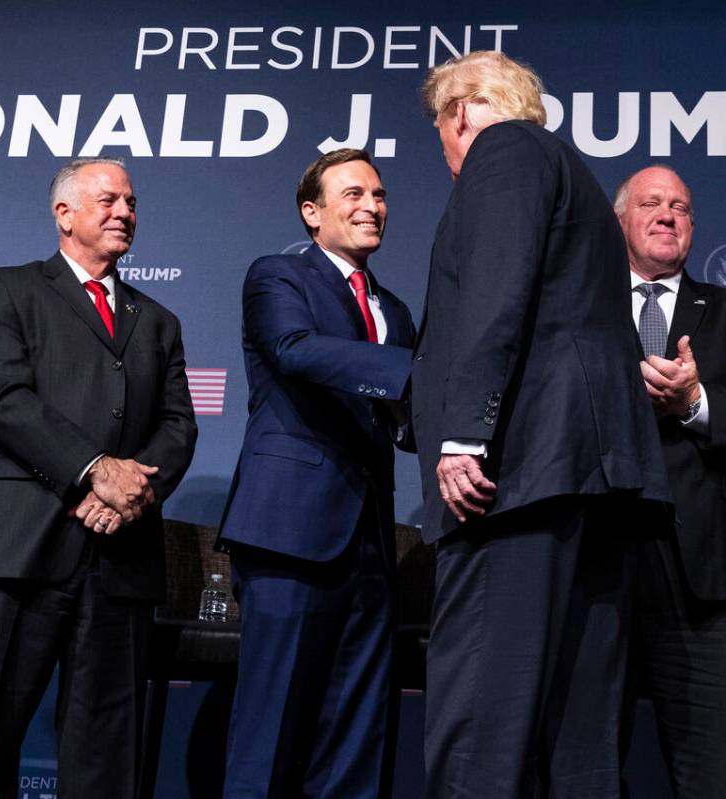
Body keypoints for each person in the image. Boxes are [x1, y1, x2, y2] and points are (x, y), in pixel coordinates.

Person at [411, 51, 670, 798]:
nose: (447, 149)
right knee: (577, 725)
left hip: (515, 477)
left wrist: (464, 432)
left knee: (479, 720)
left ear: (459, 113)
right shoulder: (574, 174)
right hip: (588, 478)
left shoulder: (505, 148)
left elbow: (497, 290)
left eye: (440, 130)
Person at [0, 157, 197, 798]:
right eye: (109, 200)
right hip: (19, 550)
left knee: (108, 758)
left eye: (132, 203)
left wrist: (129, 497)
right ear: (64, 213)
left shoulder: (158, 320)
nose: (125, 213)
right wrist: (92, 473)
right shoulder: (6, 288)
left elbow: (178, 427)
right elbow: (3, 399)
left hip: (120, 558)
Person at [217, 148, 415, 798]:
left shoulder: (395, 309)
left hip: (370, 546)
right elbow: (293, 351)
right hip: (288, 534)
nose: (371, 206)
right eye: (353, 193)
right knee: (270, 732)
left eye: (379, 194)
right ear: (311, 211)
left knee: (357, 740)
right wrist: (418, 376)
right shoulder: (278, 276)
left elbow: (406, 420)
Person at [616, 165, 726, 798]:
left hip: (700, 581)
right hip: (596, 570)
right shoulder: (580, 309)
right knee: (585, 767)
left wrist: (694, 402)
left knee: (708, 772)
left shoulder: (723, 310)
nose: (667, 215)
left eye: (680, 207)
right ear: (621, 221)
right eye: (652, 204)